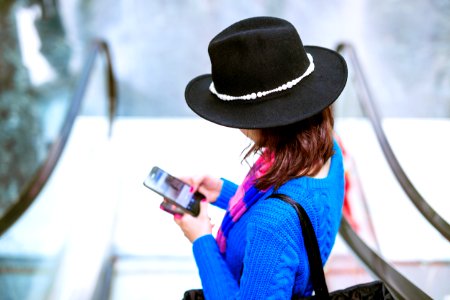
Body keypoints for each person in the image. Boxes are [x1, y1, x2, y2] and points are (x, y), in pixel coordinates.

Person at [171, 16, 348, 299]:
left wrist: (201, 239)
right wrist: (223, 192)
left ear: (258, 121)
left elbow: (277, 223)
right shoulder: (328, 149)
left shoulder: (272, 222)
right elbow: (298, 220)